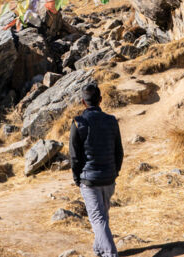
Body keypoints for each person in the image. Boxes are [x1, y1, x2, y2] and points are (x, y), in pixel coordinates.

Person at [70, 83, 124, 257]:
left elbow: (74, 156)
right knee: (102, 217)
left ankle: (110, 253)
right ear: (100, 100)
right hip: (109, 178)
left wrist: (77, 178)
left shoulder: (79, 123)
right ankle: (99, 250)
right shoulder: (111, 120)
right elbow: (119, 151)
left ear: (83, 102)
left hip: (89, 180)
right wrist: (115, 172)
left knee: (97, 219)